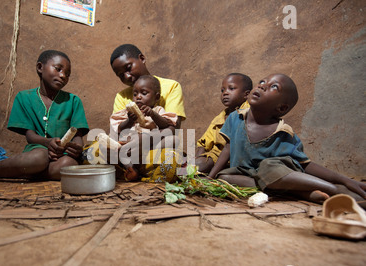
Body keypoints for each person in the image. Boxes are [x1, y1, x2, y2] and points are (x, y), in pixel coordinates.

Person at [207, 73, 366, 205]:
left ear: (281, 108)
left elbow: (306, 164)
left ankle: (333, 190)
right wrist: (210, 178)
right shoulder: (236, 118)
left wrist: (344, 181)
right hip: (249, 176)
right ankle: (300, 193)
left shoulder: (282, 132)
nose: (262, 85)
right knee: (224, 177)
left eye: (273, 87)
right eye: (262, 82)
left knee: (268, 167)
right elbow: (227, 149)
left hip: (278, 172)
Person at [0, 50, 89, 181]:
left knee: (69, 165)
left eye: (67, 74)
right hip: (37, 151)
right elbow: (30, 135)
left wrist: (76, 148)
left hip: (61, 155)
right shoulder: (24, 97)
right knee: (39, 158)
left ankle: (17, 173)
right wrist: (47, 142)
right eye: (58, 69)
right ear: (40, 67)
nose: (63, 76)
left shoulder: (73, 101)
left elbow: (78, 135)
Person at [110, 75, 178, 181]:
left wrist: (153, 114)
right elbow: (119, 129)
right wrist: (130, 120)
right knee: (118, 148)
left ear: (156, 97)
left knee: (173, 140)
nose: (138, 97)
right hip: (131, 148)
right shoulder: (128, 113)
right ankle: (132, 169)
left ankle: (143, 167)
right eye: (135, 94)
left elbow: (166, 125)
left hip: (151, 147)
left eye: (144, 93)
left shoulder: (158, 110)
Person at [195, 73, 252, 173]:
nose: (225, 93)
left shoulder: (249, 112)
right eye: (222, 90)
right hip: (217, 155)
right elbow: (203, 144)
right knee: (193, 166)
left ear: (246, 94)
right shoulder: (219, 118)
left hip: (241, 156)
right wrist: (196, 160)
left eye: (231, 88)